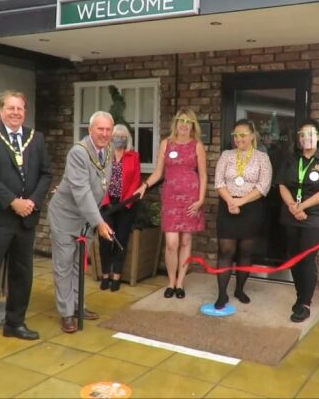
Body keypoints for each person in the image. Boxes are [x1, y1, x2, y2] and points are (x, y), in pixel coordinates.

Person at [0, 91, 52, 357]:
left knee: (22, 273)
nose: (16, 113)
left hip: (26, 219)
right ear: (0, 109)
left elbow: (46, 173)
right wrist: (12, 201)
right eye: (11, 108)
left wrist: (32, 202)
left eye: (20, 108)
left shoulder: (35, 138)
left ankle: (15, 323)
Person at [48, 111, 115, 333]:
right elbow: (82, 191)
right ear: (90, 130)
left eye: (108, 129)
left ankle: (77, 305)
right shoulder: (78, 152)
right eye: (100, 129)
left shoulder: (109, 150)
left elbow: (100, 185)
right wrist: (99, 222)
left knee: (79, 264)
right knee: (64, 265)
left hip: (84, 219)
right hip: (65, 217)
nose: (104, 134)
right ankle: (66, 313)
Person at [134, 109, 207, 299]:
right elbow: (158, 172)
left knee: (185, 241)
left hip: (191, 199)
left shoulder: (197, 145)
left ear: (192, 125)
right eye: (180, 121)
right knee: (171, 243)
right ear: (175, 123)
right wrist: (144, 185)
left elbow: (203, 175)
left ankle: (180, 283)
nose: (184, 125)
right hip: (171, 198)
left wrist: (200, 199)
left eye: (188, 121)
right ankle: (171, 281)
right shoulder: (166, 143)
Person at [277, 119, 319, 322]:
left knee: (307, 258)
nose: (306, 138)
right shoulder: (290, 159)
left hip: (315, 218)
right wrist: (293, 208)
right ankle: (299, 295)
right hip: (291, 215)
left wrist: (302, 207)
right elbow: (282, 185)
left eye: (310, 134)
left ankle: (305, 303)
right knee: (293, 257)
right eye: (302, 135)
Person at [213, 119, 272, 309]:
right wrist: (231, 201)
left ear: (252, 136)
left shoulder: (262, 157)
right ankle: (222, 294)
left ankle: (239, 289)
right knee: (225, 251)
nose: (239, 139)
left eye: (243, 135)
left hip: (251, 208)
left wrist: (241, 201)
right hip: (227, 206)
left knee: (246, 251)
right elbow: (219, 182)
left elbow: (263, 186)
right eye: (236, 135)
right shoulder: (226, 155)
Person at [99, 124, 141, 292]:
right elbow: (98, 179)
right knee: (105, 239)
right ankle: (105, 275)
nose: (119, 138)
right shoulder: (103, 155)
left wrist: (125, 203)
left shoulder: (133, 156)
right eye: (116, 135)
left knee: (121, 240)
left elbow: (136, 180)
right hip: (106, 203)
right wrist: (106, 201)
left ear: (127, 139)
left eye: (123, 136)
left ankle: (116, 275)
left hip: (126, 205)